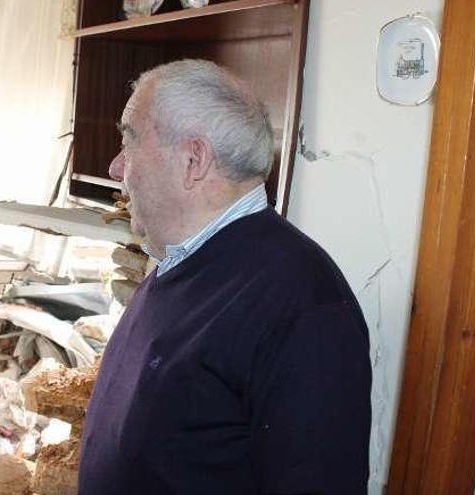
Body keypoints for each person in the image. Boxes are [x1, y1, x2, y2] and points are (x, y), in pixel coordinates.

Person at [77, 59, 371, 494]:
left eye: (130, 140)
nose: (117, 167)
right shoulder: (181, 259)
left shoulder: (303, 303)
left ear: (194, 160)